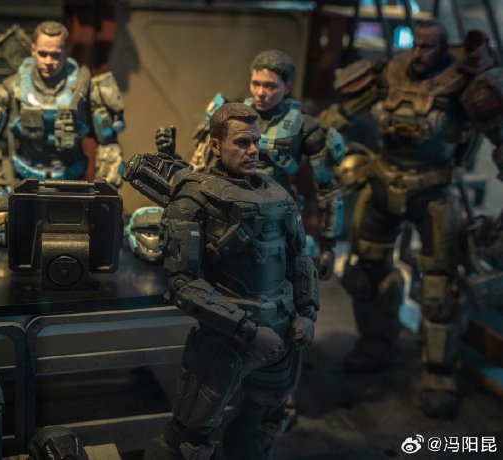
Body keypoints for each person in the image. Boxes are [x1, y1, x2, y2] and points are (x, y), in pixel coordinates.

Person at [320, 20, 503, 418]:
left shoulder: (462, 80)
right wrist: (309, 139)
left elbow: (498, 130)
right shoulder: (390, 72)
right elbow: (338, 116)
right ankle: (375, 341)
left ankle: (439, 370)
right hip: (383, 181)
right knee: (365, 272)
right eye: (416, 45)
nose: (419, 53)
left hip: (433, 191)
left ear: (443, 47)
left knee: (438, 288)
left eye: (429, 46)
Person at [126, 103, 318, 460]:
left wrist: (307, 313)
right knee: (188, 441)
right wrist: (248, 331)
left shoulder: (277, 193)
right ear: (215, 145)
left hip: (283, 331)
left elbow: (299, 260)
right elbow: (183, 284)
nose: (253, 150)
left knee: (262, 425)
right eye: (242, 142)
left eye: (256, 141)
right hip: (227, 338)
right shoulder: (194, 198)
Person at [181, 50, 345, 279]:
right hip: (228, 208)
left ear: (287, 87)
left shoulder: (304, 125)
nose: (260, 93)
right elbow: (199, 166)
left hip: (276, 216)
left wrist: (328, 246)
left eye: (270, 86)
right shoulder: (229, 116)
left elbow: (328, 189)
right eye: (256, 83)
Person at [0, 21, 125, 245]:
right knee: (15, 237)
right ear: (33, 50)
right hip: (26, 181)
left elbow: (109, 144)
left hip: (72, 183)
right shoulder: (10, 89)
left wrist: (105, 190)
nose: (49, 62)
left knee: (78, 240)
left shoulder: (88, 89)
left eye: (55, 55)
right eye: (43, 54)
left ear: (67, 51)